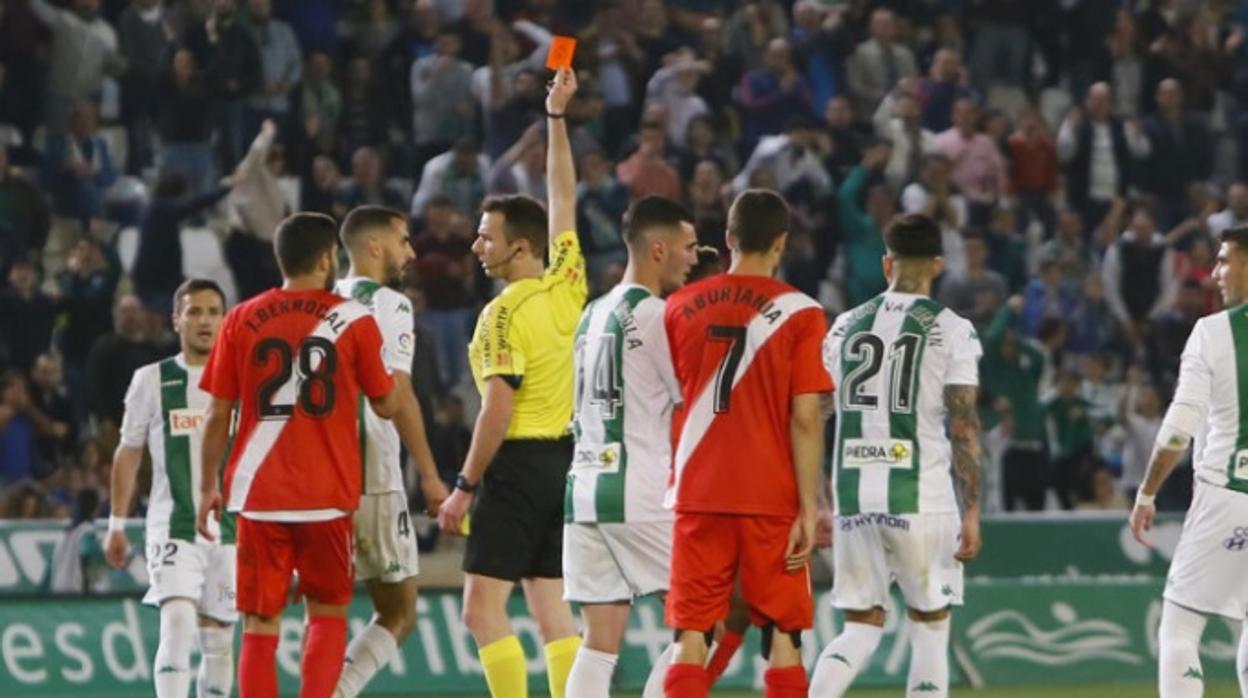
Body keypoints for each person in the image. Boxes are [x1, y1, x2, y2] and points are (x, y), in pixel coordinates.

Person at [194, 212, 400, 698]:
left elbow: (216, 415)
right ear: (329, 257)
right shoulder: (355, 319)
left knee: (260, 623)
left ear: (280, 258)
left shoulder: (241, 318)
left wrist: (208, 485)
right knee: (326, 615)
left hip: (259, 495)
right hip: (327, 495)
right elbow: (387, 402)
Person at [435, 68, 587, 698]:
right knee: (551, 608)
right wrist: (555, 119)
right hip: (567, 463)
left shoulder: (503, 313)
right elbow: (564, 197)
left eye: (486, 236)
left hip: (519, 464)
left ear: (519, 247)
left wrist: (464, 487)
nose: (476, 244)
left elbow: (498, 406)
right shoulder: (569, 284)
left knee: (480, 609)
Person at [660, 189, 832, 698]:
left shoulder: (678, 306)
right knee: (784, 634)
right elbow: (805, 418)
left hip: (698, 489)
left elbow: (674, 397)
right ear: (781, 243)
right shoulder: (802, 313)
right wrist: (809, 506)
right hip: (769, 495)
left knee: (690, 632)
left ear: (729, 238)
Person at [812, 212, 984, 697]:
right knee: (930, 626)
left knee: (860, 627)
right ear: (937, 265)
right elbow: (964, 424)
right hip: (920, 495)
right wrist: (971, 509)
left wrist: (818, 497)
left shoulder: (844, 326)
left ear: (887, 263)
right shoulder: (952, 329)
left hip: (853, 495)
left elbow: (814, 415)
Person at [562, 196, 699, 698]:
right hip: (638, 487)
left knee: (598, 643)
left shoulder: (591, 313)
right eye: (687, 247)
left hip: (584, 489)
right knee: (710, 616)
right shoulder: (660, 316)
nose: (693, 257)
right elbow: (693, 400)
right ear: (658, 249)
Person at [332, 206, 450, 698]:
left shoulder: (316, 299)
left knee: (320, 607)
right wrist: (428, 474)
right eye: (404, 241)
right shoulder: (390, 304)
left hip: (317, 477)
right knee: (399, 612)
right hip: (374, 475)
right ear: (374, 247)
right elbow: (396, 397)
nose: (412, 251)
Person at [1130, 224, 1248, 698]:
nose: (1215, 272)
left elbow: (1179, 427)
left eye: (1225, 260)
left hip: (1225, 493)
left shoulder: (1213, 333)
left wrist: (1147, 491)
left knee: (1179, 625)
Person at [104, 279, 236, 698]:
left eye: (214, 312)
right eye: (194, 311)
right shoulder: (151, 380)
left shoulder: (246, 381)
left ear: (225, 320)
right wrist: (117, 522)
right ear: (176, 319)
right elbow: (128, 452)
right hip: (173, 524)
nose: (204, 320)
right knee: (177, 621)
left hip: (232, 529)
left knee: (217, 640)